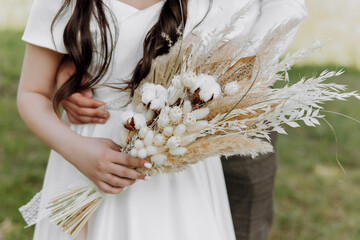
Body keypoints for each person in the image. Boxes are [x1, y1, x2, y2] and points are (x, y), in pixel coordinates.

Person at [18, 0, 306, 239]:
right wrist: (78, 150)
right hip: (85, 153)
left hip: (180, 166)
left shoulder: (208, 8)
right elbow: (33, 92)